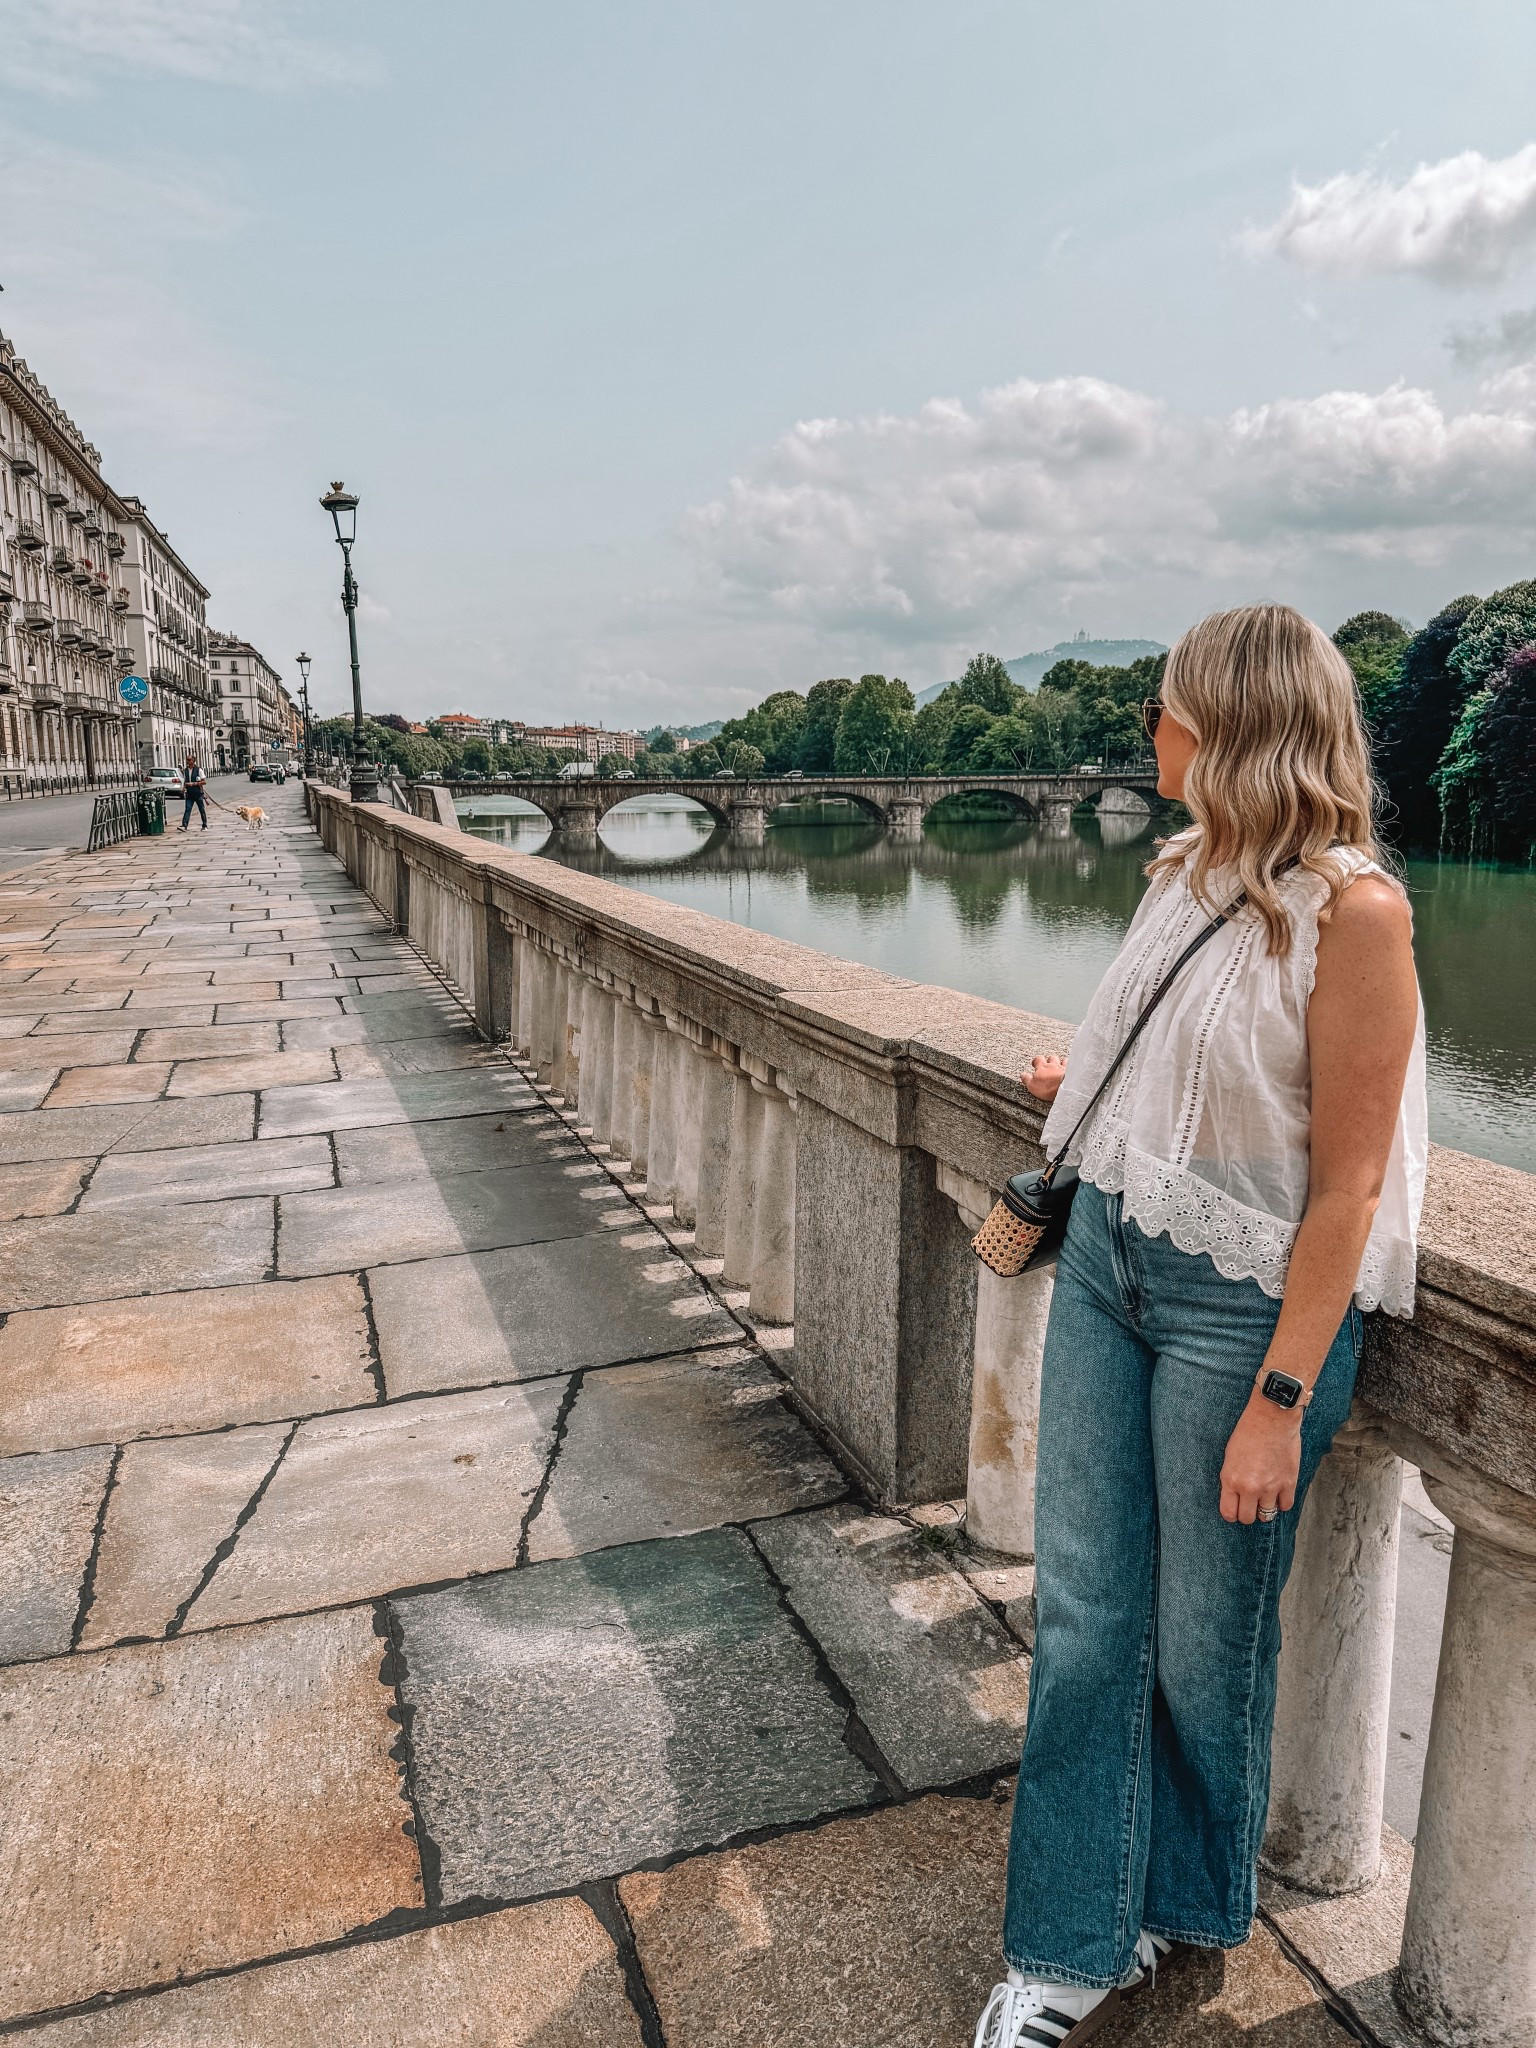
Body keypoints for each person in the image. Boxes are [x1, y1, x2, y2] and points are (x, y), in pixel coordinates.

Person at [972, 604, 1425, 2047]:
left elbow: (1349, 1181)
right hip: (1109, 1256)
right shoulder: (1181, 871)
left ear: (1232, 726)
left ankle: (1177, 1900)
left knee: (1202, 1643)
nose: (1149, 734)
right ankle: (1062, 1946)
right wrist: (1087, 1075)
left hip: (1247, 1315)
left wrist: (1283, 1398)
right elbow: (1179, 1054)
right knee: (1088, 1619)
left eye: (1167, 710)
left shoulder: (1360, 914)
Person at [179, 756, 208, 831]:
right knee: (188, 809)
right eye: (187, 760)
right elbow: (185, 781)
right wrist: (183, 788)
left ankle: (204, 825)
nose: (187, 761)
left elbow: (204, 781)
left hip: (198, 793)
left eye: (189, 760)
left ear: (193, 761)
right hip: (189, 793)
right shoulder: (185, 770)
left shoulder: (199, 770)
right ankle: (184, 825)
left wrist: (194, 784)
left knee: (201, 809)